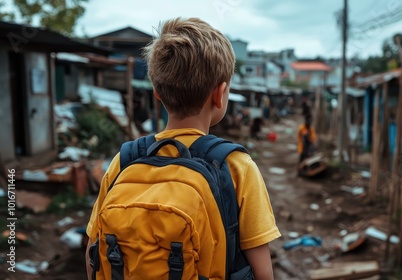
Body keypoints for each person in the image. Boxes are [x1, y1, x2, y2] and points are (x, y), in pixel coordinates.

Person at [85, 17, 280, 280]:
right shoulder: (235, 166)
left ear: (157, 92)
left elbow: (93, 254)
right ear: (220, 94)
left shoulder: (126, 159)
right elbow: (263, 273)